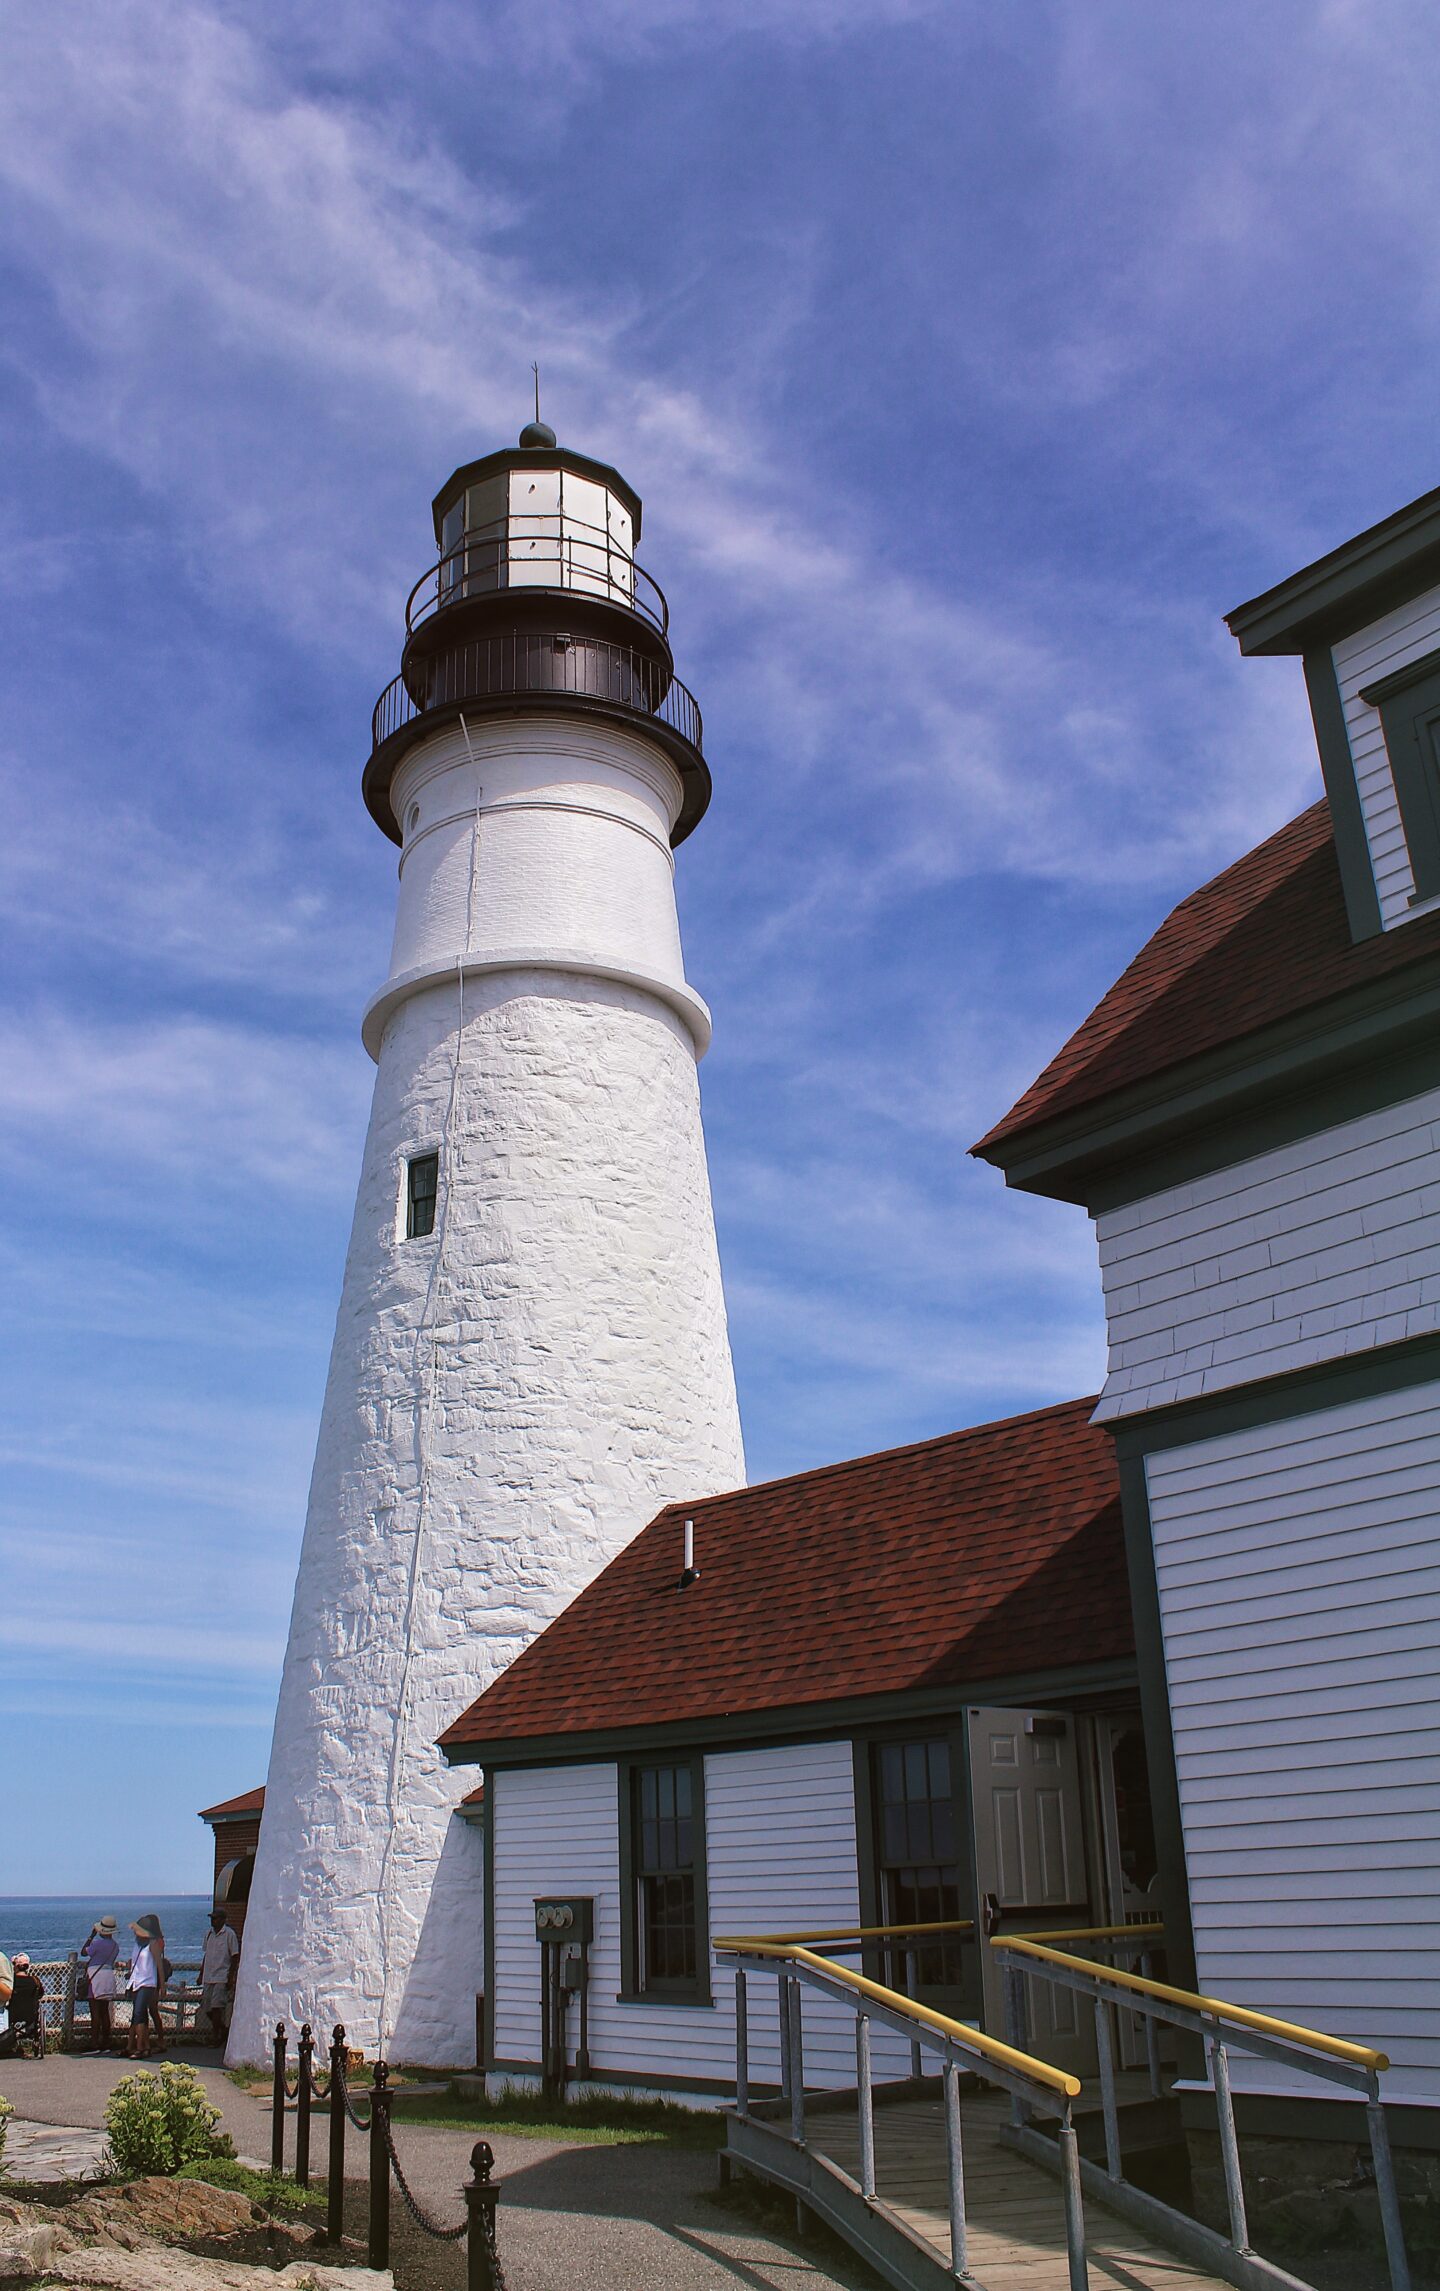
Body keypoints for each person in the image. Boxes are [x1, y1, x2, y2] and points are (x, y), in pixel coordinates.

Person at [198, 1912, 239, 2047]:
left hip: (221, 1976)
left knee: (217, 2007)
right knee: (206, 2007)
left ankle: (216, 2036)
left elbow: (234, 1956)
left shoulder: (229, 1934)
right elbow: (206, 1955)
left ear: (223, 1919)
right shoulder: (209, 1934)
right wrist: (201, 1973)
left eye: (215, 1918)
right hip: (208, 1976)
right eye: (212, 1918)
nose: (213, 1921)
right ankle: (223, 2030)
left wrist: (230, 1977)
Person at [126, 1916, 165, 2058]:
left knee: (138, 2014)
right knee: (139, 2015)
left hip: (148, 1983)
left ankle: (140, 2047)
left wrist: (162, 1985)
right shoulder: (137, 1944)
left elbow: (159, 1965)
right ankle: (143, 2047)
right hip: (135, 1982)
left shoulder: (152, 1944)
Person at [81, 1916, 120, 2053]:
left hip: (95, 1976)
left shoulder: (97, 1943)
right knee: (104, 2011)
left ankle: (94, 2044)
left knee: (95, 2012)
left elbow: (84, 1952)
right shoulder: (115, 1946)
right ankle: (106, 2043)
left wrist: (91, 1936)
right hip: (108, 1976)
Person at [0, 1955, 46, 2058]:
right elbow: (40, 1995)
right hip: (30, 2018)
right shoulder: (35, 1981)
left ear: (14, 1966)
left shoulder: (12, 1983)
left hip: (12, 2017)